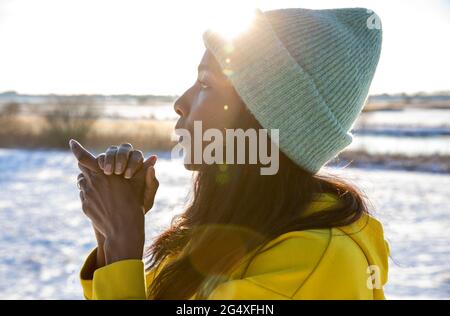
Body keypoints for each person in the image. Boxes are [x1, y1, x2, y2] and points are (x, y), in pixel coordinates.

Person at [72, 7, 390, 300]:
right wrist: (110, 236)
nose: (180, 101)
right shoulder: (233, 228)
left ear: (263, 116)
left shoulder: (314, 266)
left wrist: (123, 241)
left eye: (206, 83)